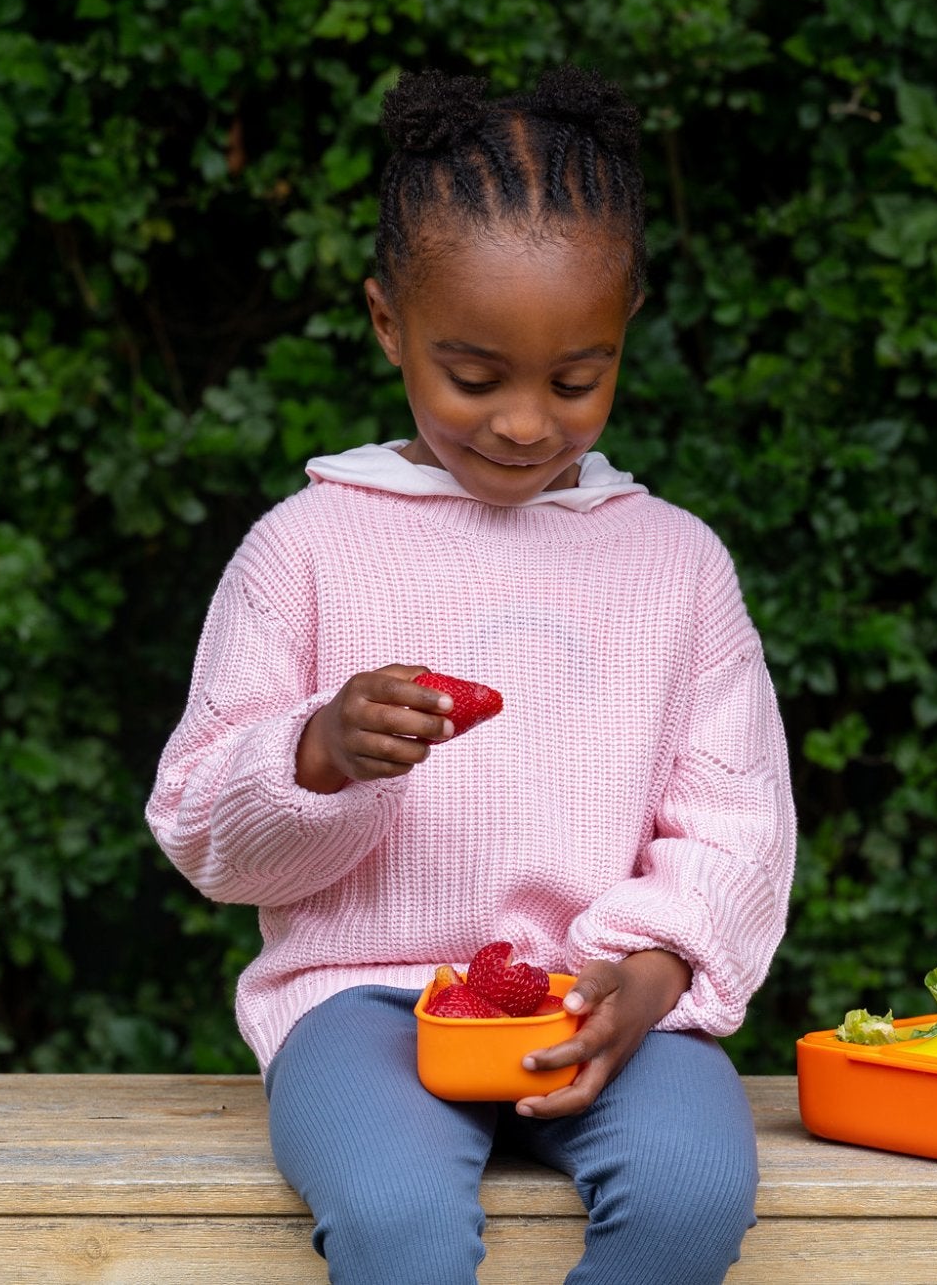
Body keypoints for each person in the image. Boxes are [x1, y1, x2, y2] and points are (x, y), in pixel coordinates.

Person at [145, 65, 797, 1284]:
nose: (520, 424)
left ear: (624, 330)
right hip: (363, 1004)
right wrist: (316, 755)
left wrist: (650, 973)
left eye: (574, 379)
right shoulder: (307, 547)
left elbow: (733, 820)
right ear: (388, 321)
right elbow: (200, 830)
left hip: (602, 996)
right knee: (393, 1218)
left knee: (693, 1187)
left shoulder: (675, 564)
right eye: (473, 375)